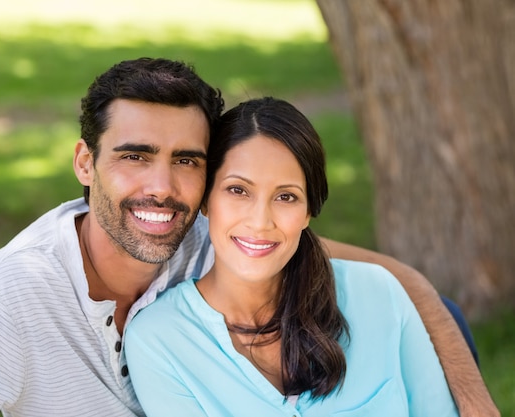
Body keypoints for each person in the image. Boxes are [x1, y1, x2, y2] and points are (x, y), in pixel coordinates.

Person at [0, 58, 496, 417]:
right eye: (135, 156)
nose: (162, 188)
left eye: (186, 161)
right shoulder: (10, 296)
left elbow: (399, 283)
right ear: (85, 162)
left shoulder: (222, 235)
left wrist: (475, 404)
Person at [124, 97, 460, 416]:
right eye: (238, 190)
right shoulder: (159, 340)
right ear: (206, 201)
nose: (260, 222)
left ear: (308, 212)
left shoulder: (378, 294)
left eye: (286, 197)